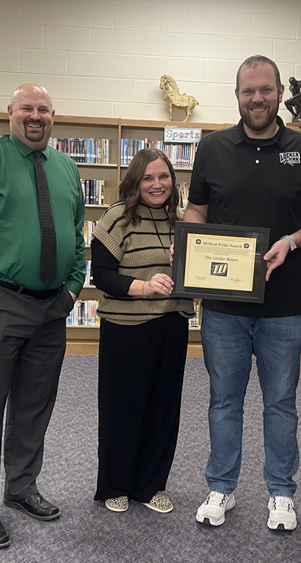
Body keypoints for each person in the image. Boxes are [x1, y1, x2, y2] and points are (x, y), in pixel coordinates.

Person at [184, 55, 301, 532]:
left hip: (286, 306)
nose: (258, 99)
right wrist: (204, 251)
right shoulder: (211, 148)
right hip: (224, 306)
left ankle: (281, 492)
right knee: (223, 401)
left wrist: (291, 241)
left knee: (281, 403)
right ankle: (222, 487)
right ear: (237, 96)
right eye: (249, 91)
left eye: (266, 90)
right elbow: (195, 213)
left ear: (278, 94)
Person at [0, 84, 86, 550]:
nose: (35, 116)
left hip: (53, 308)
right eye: (26, 108)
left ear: (53, 115)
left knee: (35, 405)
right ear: (10, 113)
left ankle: (22, 487)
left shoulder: (67, 168)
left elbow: (77, 234)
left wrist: (72, 290)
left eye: (43, 109)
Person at [90, 148, 195, 514]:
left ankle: (152, 485)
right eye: (148, 178)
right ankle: (116, 485)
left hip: (172, 326)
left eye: (163, 177)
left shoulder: (183, 221)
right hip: (126, 327)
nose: (157, 184)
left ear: (173, 181)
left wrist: (183, 266)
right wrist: (143, 286)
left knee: (163, 409)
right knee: (123, 408)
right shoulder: (116, 219)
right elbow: (101, 275)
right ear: (135, 181)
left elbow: (196, 279)